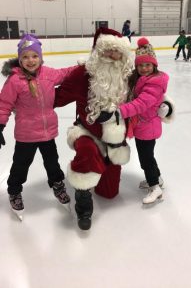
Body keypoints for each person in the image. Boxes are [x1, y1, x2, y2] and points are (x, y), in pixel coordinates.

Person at [54, 27, 134, 230]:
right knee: (88, 156)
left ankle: (103, 167)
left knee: (109, 192)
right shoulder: (82, 75)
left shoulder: (126, 75)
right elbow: (57, 97)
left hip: (114, 139)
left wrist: (165, 106)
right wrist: (25, 99)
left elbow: (148, 95)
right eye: (108, 50)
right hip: (87, 132)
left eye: (117, 52)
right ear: (98, 52)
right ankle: (84, 208)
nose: (113, 56)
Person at [0, 34, 73, 220]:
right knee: (20, 166)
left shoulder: (48, 74)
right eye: (25, 57)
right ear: (20, 59)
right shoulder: (15, 80)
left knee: (52, 163)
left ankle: (58, 186)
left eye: (34, 56)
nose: (30, 60)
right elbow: (4, 104)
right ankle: (14, 191)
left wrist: (84, 67)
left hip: (48, 133)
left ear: (40, 57)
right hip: (26, 135)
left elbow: (66, 73)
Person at [97, 37, 171, 205]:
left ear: (154, 65)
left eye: (148, 65)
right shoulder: (140, 78)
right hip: (143, 126)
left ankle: (155, 187)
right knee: (148, 156)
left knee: (146, 159)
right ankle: (157, 179)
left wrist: (118, 112)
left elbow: (141, 103)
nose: (144, 68)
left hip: (148, 126)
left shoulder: (154, 82)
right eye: (140, 65)